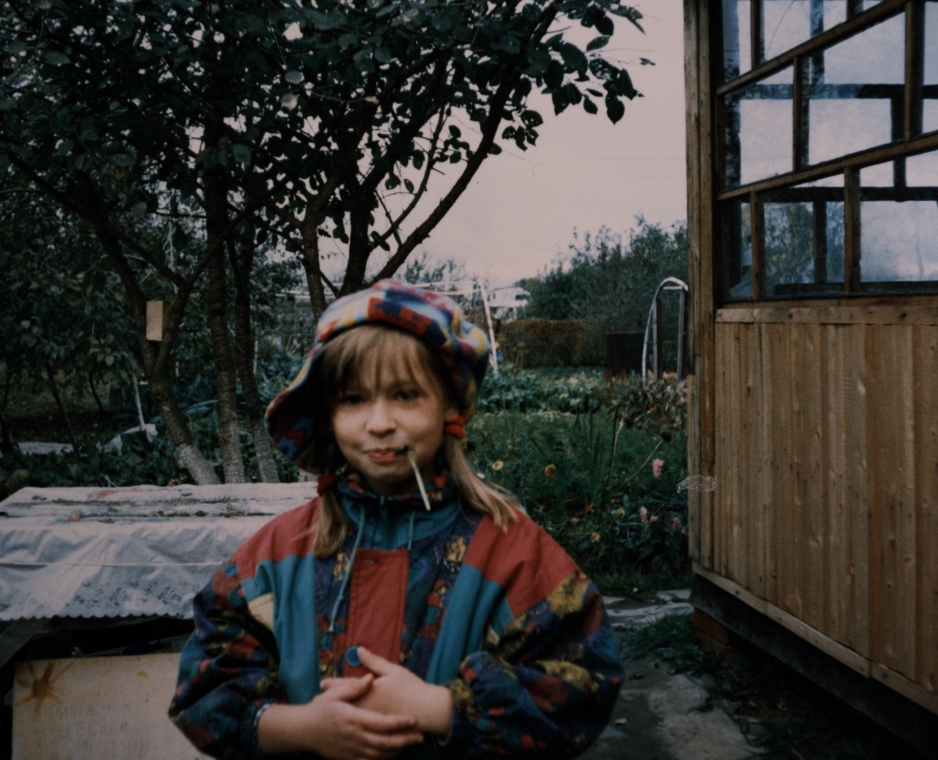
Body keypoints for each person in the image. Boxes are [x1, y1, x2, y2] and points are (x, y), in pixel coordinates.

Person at [169, 280, 623, 759]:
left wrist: (440, 708)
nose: (380, 423)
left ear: (450, 403)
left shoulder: (510, 552)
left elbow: (584, 685)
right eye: (353, 399)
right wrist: (299, 727)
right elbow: (202, 691)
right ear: (327, 412)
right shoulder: (276, 555)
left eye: (405, 395)